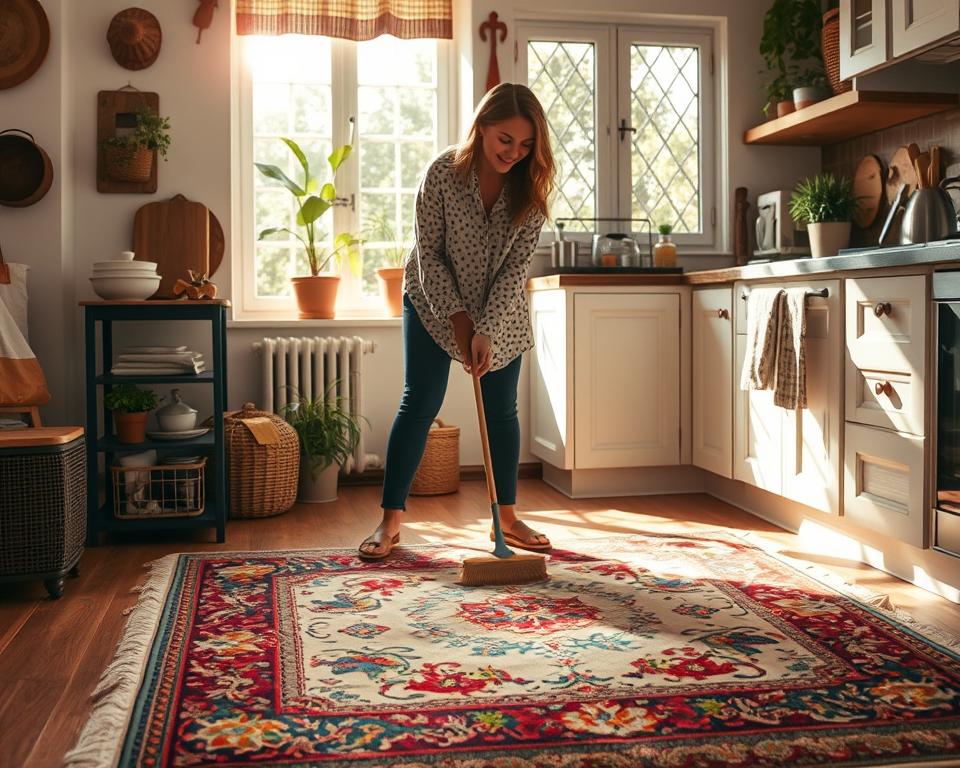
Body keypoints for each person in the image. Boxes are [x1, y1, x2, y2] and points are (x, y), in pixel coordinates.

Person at [358, 83, 556, 561]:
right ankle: (391, 523)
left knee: (502, 410)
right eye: (505, 139)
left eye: (526, 144)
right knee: (419, 401)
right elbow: (429, 256)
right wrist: (460, 320)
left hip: (500, 312)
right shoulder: (443, 173)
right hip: (432, 300)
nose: (515, 152)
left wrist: (485, 328)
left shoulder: (530, 188)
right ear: (482, 127)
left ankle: (504, 519)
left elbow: (515, 271)